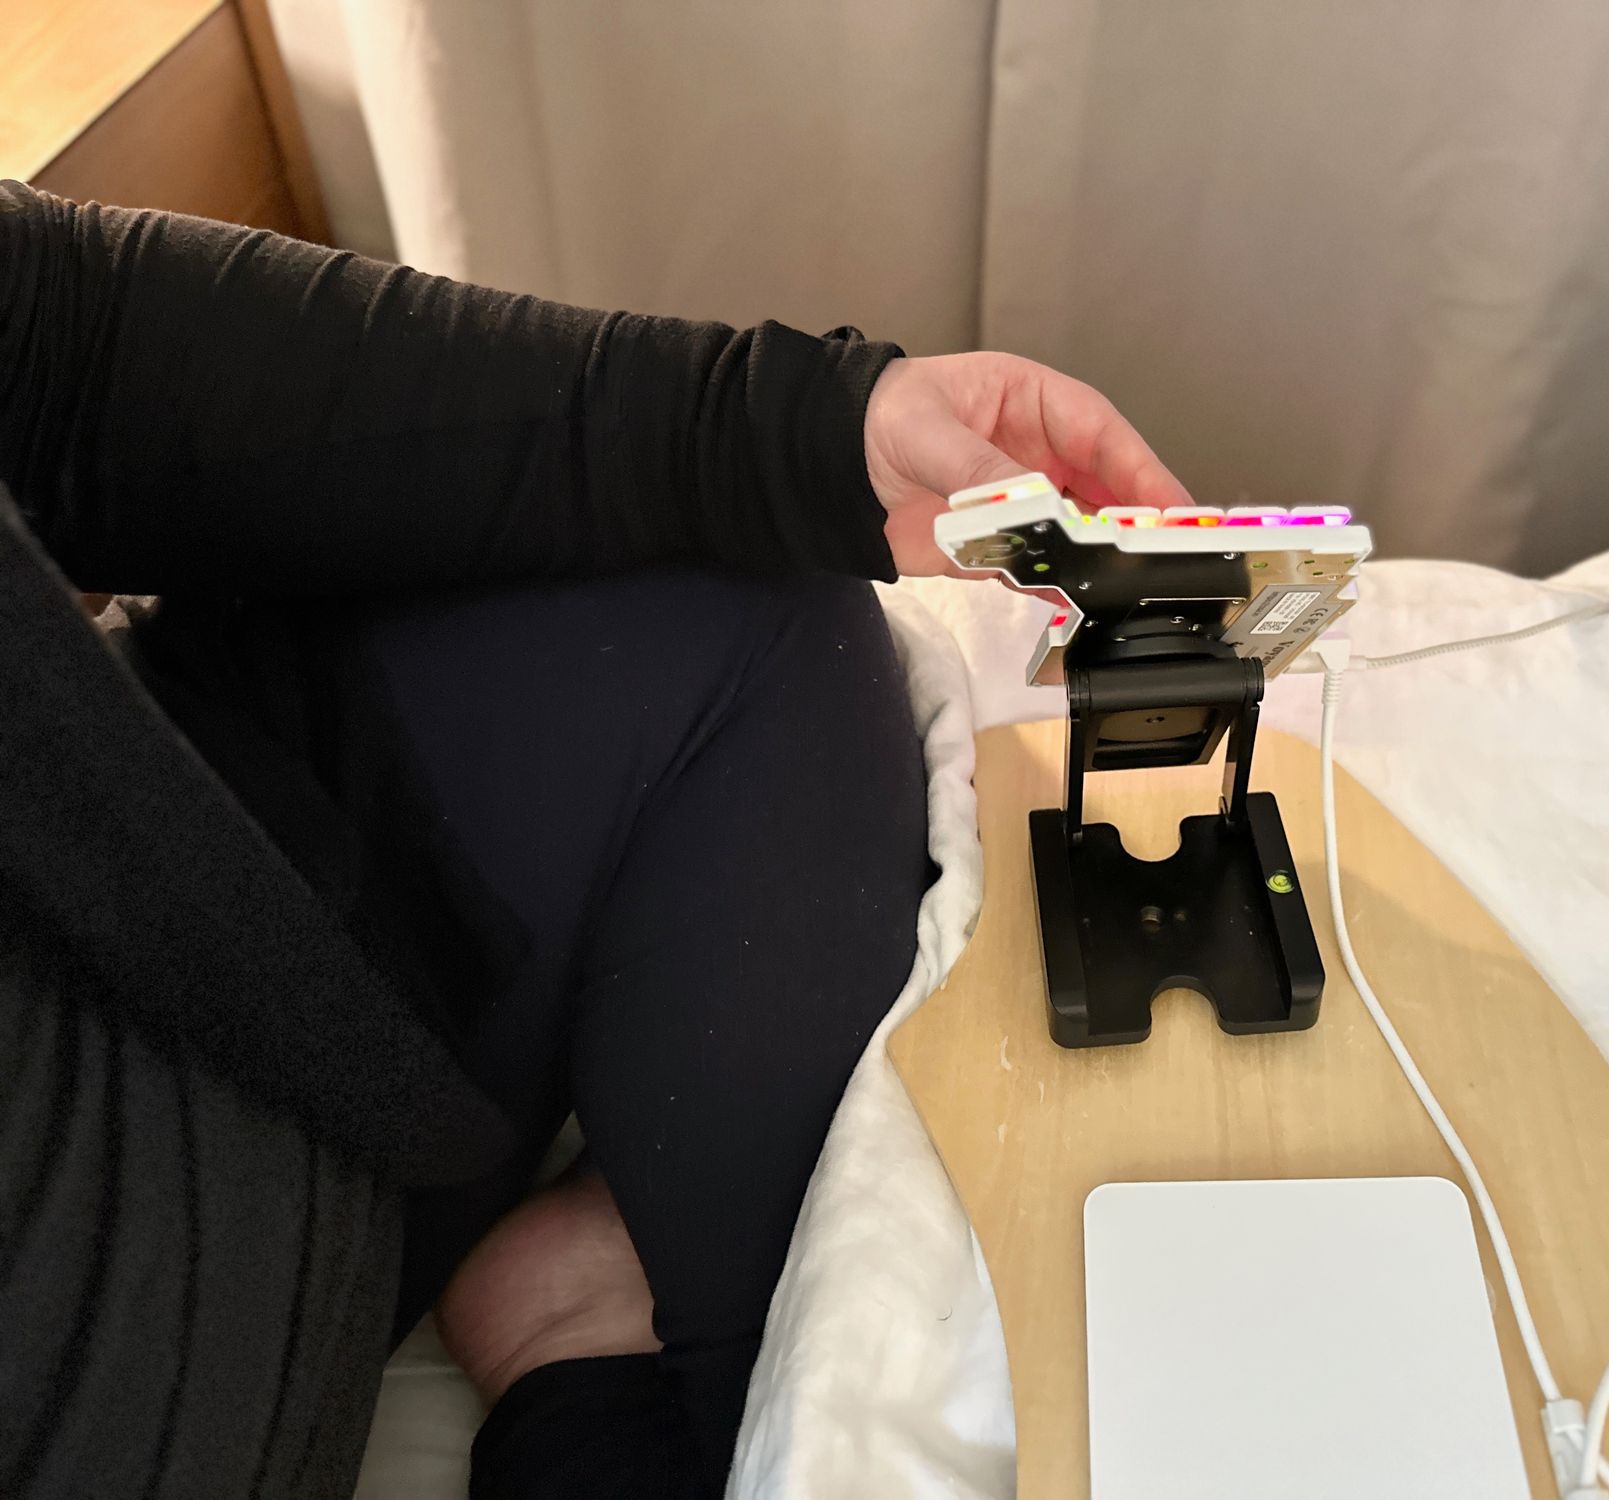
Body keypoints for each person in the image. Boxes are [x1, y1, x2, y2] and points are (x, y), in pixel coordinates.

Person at [0, 181, 1191, 1499]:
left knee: (745, 574)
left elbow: (54, 338)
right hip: (97, 1354)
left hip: (148, 868)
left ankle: (638, 1340)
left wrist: (795, 429)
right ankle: (623, 1399)